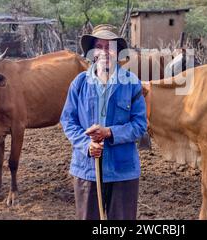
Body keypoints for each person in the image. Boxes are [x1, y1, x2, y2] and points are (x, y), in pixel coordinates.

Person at [61, 24, 147, 220]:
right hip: (87, 170)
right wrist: (86, 145)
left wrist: (109, 132)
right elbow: (68, 120)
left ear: (118, 52)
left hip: (123, 171)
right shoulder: (79, 83)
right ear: (93, 52)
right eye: (99, 46)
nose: (105, 52)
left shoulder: (132, 83)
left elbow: (140, 125)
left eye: (110, 46)